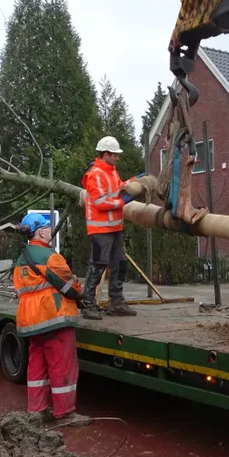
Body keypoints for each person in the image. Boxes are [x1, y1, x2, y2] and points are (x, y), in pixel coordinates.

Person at [13, 213, 89, 426]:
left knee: (37, 367)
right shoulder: (50, 257)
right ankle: (65, 413)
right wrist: (82, 296)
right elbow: (70, 285)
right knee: (61, 366)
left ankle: (36, 412)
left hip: (31, 322)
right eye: (47, 226)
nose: (49, 230)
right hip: (54, 318)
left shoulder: (22, 259)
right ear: (40, 231)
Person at [80, 135, 136, 320]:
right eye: (114, 155)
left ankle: (116, 302)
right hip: (100, 230)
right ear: (105, 154)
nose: (117, 158)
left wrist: (135, 183)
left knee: (120, 263)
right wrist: (122, 201)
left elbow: (118, 188)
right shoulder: (95, 174)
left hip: (114, 228)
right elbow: (100, 202)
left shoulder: (111, 171)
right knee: (97, 266)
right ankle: (88, 304)